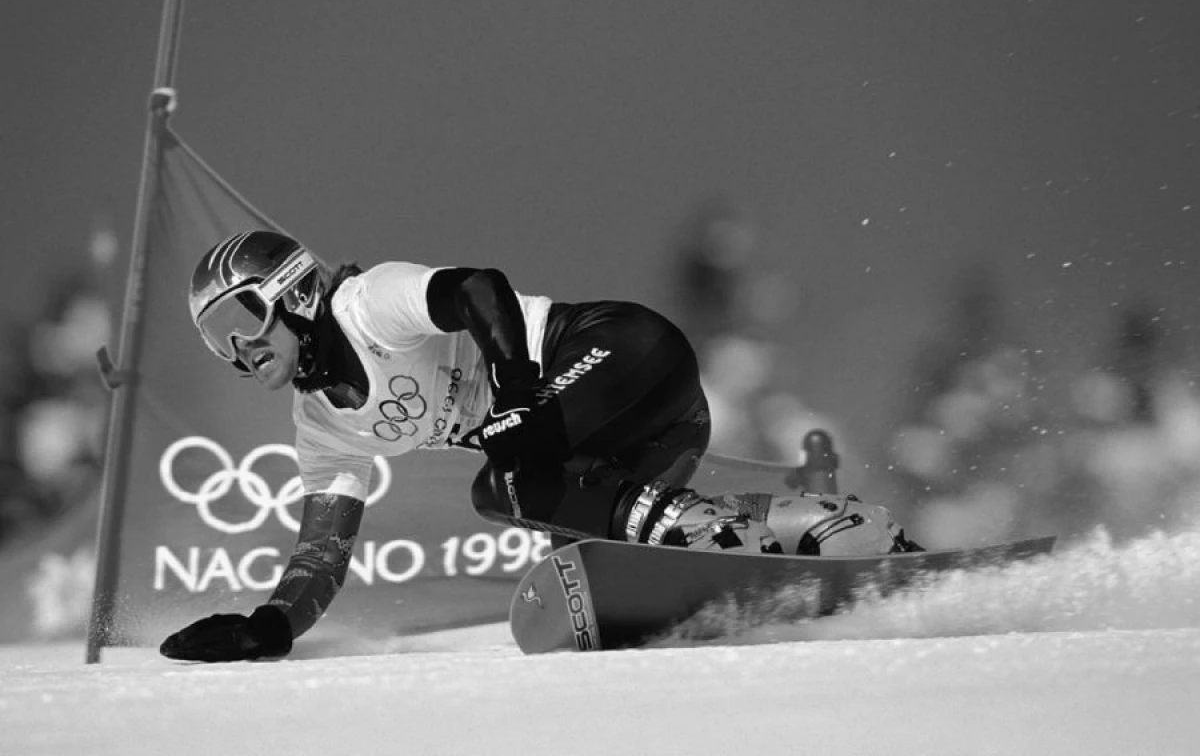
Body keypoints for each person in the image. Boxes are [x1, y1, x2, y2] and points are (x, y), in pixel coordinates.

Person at [160, 230, 918, 662]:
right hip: (646, 438)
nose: (237, 350)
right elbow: (322, 556)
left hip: (627, 354)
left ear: (293, 295)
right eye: (215, 340)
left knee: (502, 483)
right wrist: (270, 627)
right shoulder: (321, 430)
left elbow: (478, 289)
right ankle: (810, 532)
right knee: (572, 537)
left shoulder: (366, 305)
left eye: (242, 320)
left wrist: (517, 389)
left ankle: (779, 530)